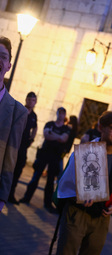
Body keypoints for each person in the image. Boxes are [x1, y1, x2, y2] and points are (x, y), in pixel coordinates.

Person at [56, 111, 112, 255]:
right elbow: (67, 181)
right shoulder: (86, 151)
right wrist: (79, 195)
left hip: (101, 217)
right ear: (101, 128)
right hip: (78, 213)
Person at [19, 107, 70, 213]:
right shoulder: (50, 124)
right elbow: (47, 135)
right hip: (44, 154)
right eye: (59, 113)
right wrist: (57, 136)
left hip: (55, 156)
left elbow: (63, 139)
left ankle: (48, 204)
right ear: (57, 113)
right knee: (35, 176)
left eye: (62, 114)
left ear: (64, 115)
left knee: (50, 181)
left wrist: (53, 135)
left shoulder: (66, 129)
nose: (60, 115)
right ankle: (26, 197)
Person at [0, 36, 28, 213]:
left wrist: (2, 197)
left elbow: (10, 160)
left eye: (3, 56)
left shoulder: (18, 112)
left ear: (9, 66)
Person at [8, 92, 38, 204]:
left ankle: (10, 194)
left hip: (23, 147)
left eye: (33, 100)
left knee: (17, 171)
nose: (31, 102)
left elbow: (35, 128)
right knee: (8, 168)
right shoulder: (20, 110)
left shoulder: (34, 116)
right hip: (13, 144)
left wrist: (32, 139)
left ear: (35, 102)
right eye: (29, 99)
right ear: (26, 99)